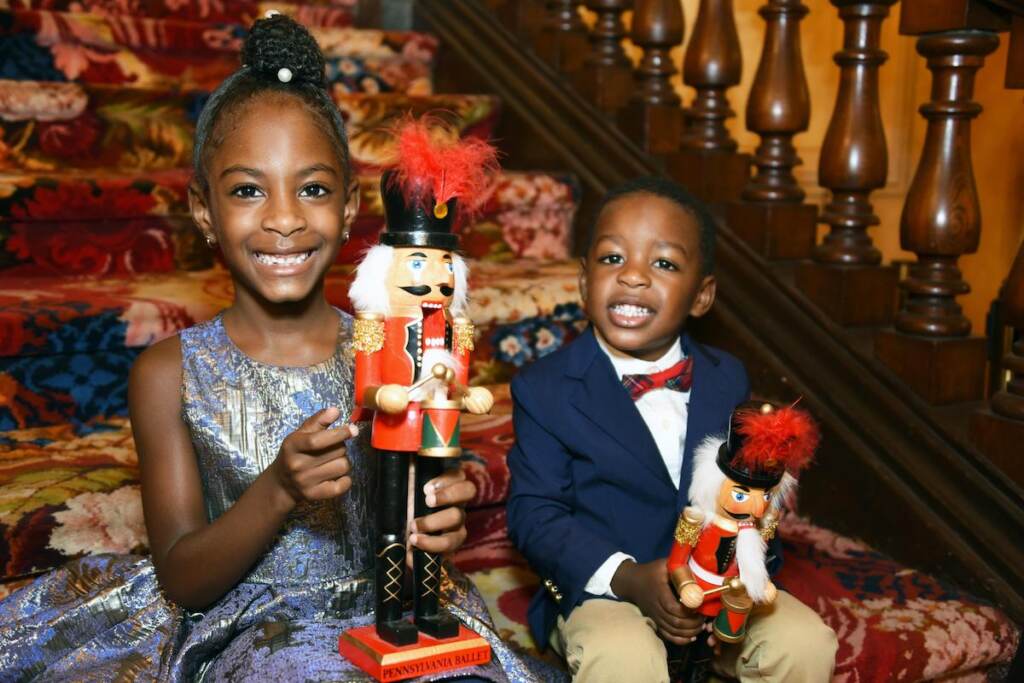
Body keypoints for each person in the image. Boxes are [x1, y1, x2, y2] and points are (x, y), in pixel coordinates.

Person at [0, 15, 559, 682]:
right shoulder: (169, 372)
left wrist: (436, 527)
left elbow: (423, 498)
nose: (286, 217)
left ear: (350, 205)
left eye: (313, 188)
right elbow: (184, 577)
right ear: (205, 211)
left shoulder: (391, 354)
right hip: (255, 625)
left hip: (392, 611)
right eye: (247, 190)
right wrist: (278, 488)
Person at [506, 176, 838, 683]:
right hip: (605, 589)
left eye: (663, 263)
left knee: (804, 642)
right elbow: (535, 515)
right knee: (624, 657)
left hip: (717, 582)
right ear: (581, 280)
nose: (633, 277)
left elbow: (751, 499)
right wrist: (630, 578)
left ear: (702, 296)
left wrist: (741, 572)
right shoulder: (545, 388)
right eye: (613, 258)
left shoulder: (728, 377)